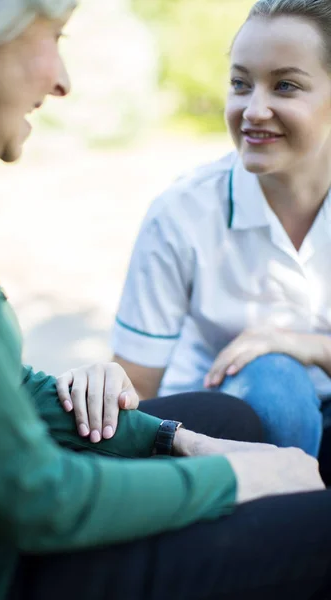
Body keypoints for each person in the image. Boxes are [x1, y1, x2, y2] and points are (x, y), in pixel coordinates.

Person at [0, 1, 330, 600]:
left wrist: (178, 439)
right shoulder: (184, 211)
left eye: (287, 85)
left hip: (0, 520)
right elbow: (33, 491)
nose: (64, 80)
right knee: (278, 407)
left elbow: (2, 389)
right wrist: (232, 475)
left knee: (234, 421)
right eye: (55, 38)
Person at [106, 0, 331, 458]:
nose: (253, 110)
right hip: (234, 429)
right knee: (275, 380)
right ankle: (287, 518)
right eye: (240, 84)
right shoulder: (181, 214)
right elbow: (135, 388)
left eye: (285, 86)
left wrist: (300, 343)